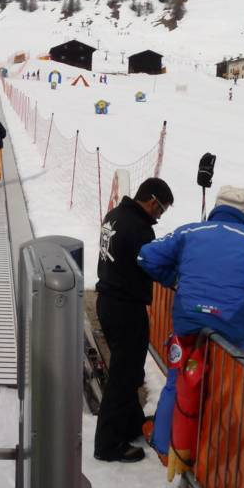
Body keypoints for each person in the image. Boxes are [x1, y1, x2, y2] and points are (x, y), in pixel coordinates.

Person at [138, 186, 244, 478]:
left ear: (217, 207)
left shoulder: (190, 232)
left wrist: (176, 280)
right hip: (232, 326)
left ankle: (165, 445)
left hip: (188, 321)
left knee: (176, 380)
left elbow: (146, 257)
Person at [94, 177, 175, 463]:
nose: (159, 216)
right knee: (122, 376)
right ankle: (107, 444)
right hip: (125, 307)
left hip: (109, 301)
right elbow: (154, 267)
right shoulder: (139, 228)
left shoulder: (115, 214)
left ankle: (130, 423)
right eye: (161, 210)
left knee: (128, 370)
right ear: (152, 202)